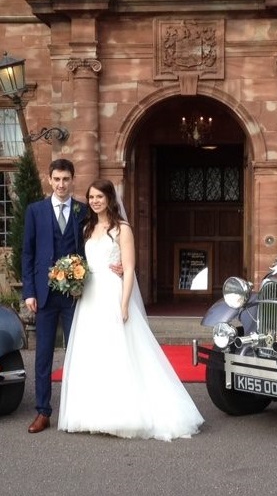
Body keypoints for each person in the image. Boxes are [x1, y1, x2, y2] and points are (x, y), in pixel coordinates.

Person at [58, 179, 204, 441]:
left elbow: (129, 269)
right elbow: (84, 262)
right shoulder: (87, 228)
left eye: (100, 197)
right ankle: (93, 413)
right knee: (93, 352)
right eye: (91, 197)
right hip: (89, 296)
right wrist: (74, 280)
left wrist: (124, 304)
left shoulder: (122, 229)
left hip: (112, 294)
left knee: (119, 351)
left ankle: (123, 413)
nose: (95, 201)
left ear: (110, 199)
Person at [22, 159, 88, 434]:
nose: (61, 184)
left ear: (73, 179)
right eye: (57, 179)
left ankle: (76, 410)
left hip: (74, 295)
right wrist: (29, 292)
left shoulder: (83, 211)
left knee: (78, 353)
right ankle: (43, 412)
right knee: (44, 356)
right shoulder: (35, 211)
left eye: (66, 179)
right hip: (45, 295)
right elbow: (28, 252)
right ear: (50, 180)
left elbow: (91, 248)